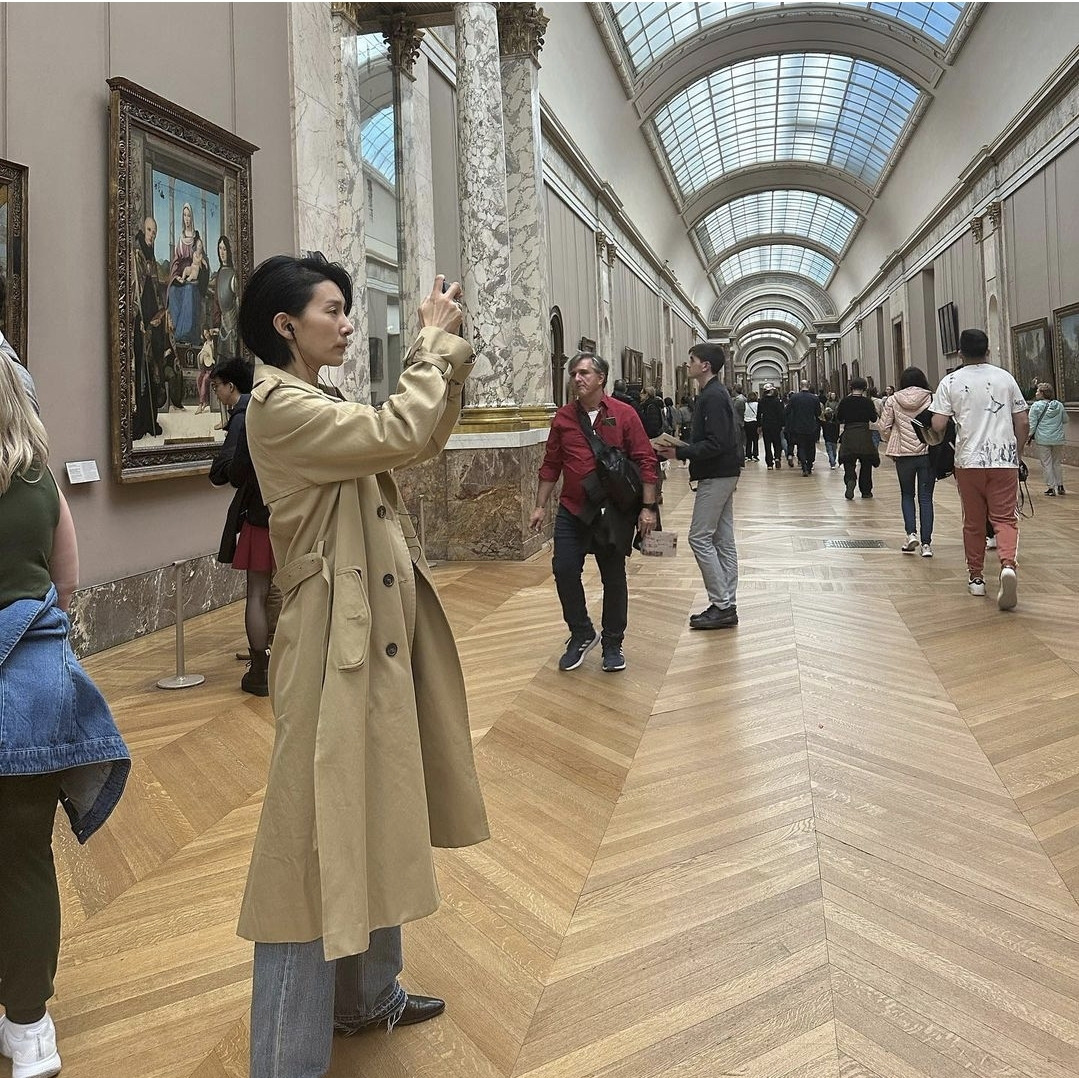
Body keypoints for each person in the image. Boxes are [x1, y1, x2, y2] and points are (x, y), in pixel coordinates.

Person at [236, 256, 490, 1078]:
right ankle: (284, 1061)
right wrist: (430, 345)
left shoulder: (316, 398)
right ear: (286, 325)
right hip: (328, 650)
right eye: (332, 310)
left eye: (346, 309)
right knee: (308, 845)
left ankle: (367, 996)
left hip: (368, 636)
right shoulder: (279, 407)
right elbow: (397, 434)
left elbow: (421, 437)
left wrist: (443, 364)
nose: (346, 324)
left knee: (377, 807)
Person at [0, 358, 130, 1078]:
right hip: (31, 688)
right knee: (23, 862)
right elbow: (67, 583)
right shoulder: (38, 480)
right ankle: (30, 1031)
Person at [530, 352, 658, 673]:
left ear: (601, 378)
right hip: (572, 509)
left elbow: (646, 460)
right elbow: (551, 464)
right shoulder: (563, 418)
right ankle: (582, 632)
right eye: (574, 373)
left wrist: (647, 508)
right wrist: (540, 506)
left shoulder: (624, 414)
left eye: (584, 373)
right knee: (563, 569)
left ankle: (613, 642)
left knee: (613, 578)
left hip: (612, 512)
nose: (577, 378)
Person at [930, 328, 1028, 609]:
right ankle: (1007, 565)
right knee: (1005, 519)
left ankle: (976, 578)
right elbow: (1022, 421)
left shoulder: (950, 381)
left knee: (973, 522)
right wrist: (1017, 453)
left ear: (960, 353)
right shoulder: (1005, 378)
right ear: (987, 350)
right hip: (1003, 460)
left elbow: (938, 424)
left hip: (968, 461)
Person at [657, 343, 741, 630]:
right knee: (722, 540)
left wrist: (679, 451)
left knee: (699, 537)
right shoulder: (713, 393)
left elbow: (717, 442)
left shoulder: (713, 396)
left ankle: (722, 604)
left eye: (692, 359)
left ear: (705, 365)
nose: (688, 364)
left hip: (717, 474)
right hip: (723, 472)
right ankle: (727, 602)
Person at [209, 358, 274, 696]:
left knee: (258, 593)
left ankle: (261, 670)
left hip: (261, 513)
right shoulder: (283, 409)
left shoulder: (246, 417)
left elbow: (237, 472)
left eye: (217, 386)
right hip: (294, 511)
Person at [877, 367, 936, 556]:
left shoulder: (893, 399)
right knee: (926, 498)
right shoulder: (931, 397)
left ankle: (911, 534)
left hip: (903, 455)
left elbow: (884, 427)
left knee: (907, 494)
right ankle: (926, 545)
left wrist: (893, 438)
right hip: (927, 453)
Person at [836, 376, 880, 498]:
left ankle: (850, 479)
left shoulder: (845, 401)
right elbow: (873, 418)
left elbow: (839, 418)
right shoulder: (868, 402)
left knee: (848, 461)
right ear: (864, 388)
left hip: (849, 434)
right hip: (864, 434)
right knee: (866, 463)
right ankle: (866, 491)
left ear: (851, 387)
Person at [1027, 382, 1068, 495]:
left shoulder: (1036, 406)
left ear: (1042, 393)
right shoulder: (1059, 405)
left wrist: (1028, 436)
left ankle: (1051, 488)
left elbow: (1032, 424)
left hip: (1043, 439)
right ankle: (1060, 486)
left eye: (1037, 391)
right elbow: (1065, 420)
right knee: (1056, 463)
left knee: (1046, 463)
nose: (1036, 393)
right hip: (1058, 438)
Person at [786, 380, 822, 476]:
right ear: (808, 386)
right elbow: (818, 413)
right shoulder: (814, 398)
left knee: (801, 447)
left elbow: (788, 411)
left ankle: (804, 466)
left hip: (798, 426)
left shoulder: (794, 397)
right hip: (811, 426)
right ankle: (809, 465)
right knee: (811, 447)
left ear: (800, 386)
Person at [214, 235, 241, 361]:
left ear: (229, 251)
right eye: (220, 249)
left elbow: (237, 300)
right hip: (222, 322)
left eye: (224, 249)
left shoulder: (233, 274)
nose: (222, 252)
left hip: (232, 322)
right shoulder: (220, 272)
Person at [757, 383, 785, 469]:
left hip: (766, 425)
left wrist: (759, 425)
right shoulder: (777, 401)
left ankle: (769, 463)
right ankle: (777, 457)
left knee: (767, 444)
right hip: (776, 425)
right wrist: (783, 424)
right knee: (777, 442)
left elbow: (759, 414)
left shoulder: (761, 401)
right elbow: (781, 414)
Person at [821, 391, 840, 469]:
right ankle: (832, 462)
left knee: (831, 451)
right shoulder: (835, 424)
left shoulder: (825, 424)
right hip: (833, 439)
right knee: (833, 451)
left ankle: (832, 462)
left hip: (829, 439)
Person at [743, 391, 759, 462]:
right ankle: (755, 455)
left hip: (747, 422)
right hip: (754, 422)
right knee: (755, 440)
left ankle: (748, 455)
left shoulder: (745, 404)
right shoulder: (757, 404)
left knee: (748, 440)